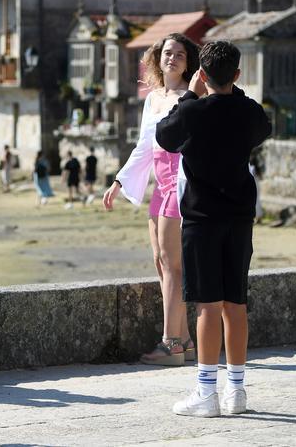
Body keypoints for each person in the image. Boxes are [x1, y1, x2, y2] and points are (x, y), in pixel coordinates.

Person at [156, 40, 271, 417]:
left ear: (200, 75)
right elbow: (261, 125)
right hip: (239, 216)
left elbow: (165, 135)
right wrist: (227, 89)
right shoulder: (249, 112)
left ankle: (206, 392)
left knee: (208, 306)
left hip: (202, 219)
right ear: (237, 75)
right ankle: (236, 391)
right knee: (236, 304)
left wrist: (191, 95)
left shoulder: (193, 112)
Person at [102, 33, 200, 366]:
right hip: (159, 187)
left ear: (189, 62)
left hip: (181, 184)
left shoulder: (192, 97)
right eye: (168, 53)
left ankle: (171, 343)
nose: (173, 58)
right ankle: (184, 339)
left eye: (180, 55)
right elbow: (144, 147)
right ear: (158, 58)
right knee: (161, 262)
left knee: (174, 266)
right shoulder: (153, 97)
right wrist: (119, 181)